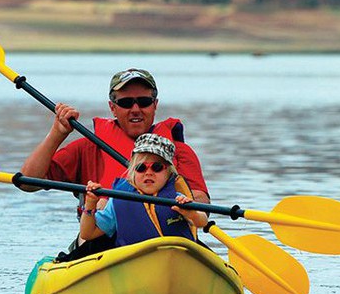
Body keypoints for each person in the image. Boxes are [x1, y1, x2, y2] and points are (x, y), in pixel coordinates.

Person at [21, 67, 209, 203]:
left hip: (166, 236)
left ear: (155, 105)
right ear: (112, 107)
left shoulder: (180, 151)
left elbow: (202, 201)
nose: (135, 109)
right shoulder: (87, 148)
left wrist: (183, 202)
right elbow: (28, 182)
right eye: (126, 103)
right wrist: (57, 133)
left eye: (143, 101)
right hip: (103, 241)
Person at [79, 133, 208, 247]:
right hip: (132, 262)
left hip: (176, 258)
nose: (148, 173)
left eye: (156, 167)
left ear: (168, 173)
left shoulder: (178, 199)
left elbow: (202, 221)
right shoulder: (117, 202)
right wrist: (90, 204)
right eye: (141, 168)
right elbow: (87, 233)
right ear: (133, 172)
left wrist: (192, 214)